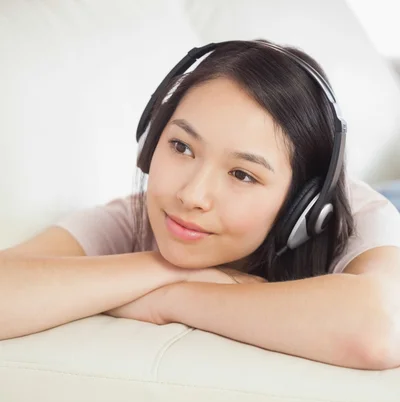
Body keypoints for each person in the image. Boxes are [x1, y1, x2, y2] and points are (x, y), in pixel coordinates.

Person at [1, 39, 400, 370]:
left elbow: (381, 330)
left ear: (305, 207)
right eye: (181, 146)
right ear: (150, 142)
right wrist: (160, 268)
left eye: (243, 174)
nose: (191, 195)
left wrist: (173, 298)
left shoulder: (362, 217)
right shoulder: (140, 215)